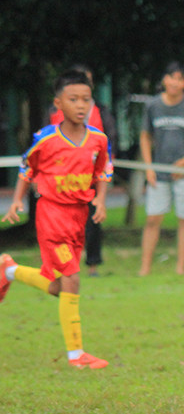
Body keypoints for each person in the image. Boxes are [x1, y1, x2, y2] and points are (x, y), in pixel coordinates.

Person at [1, 70, 112, 369]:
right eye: (73, 99)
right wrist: (15, 201)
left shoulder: (98, 140)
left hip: (78, 217)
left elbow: (103, 171)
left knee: (58, 287)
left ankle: (9, 271)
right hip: (51, 216)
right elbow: (27, 168)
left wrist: (100, 198)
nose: (80, 105)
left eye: (86, 100)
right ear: (58, 104)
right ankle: (77, 355)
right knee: (73, 279)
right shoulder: (46, 139)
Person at [138, 61, 184, 276]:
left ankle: (180, 268)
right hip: (158, 172)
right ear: (164, 80)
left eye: (180, 79)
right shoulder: (153, 105)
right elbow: (145, 136)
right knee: (153, 219)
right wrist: (148, 167)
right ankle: (145, 268)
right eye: (172, 77)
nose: (175, 82)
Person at [49, 64, 117, 277]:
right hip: (62, 179)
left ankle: (92, 264)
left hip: (89, 178)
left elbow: (108, 147)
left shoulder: (100, 113)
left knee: (91, 222)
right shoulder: (54, 114)